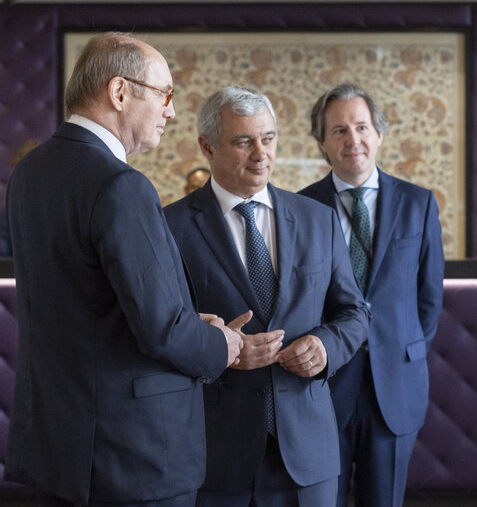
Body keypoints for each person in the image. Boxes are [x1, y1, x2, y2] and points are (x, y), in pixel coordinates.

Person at [4, 32, 243, 506]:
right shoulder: (121, 185)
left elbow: (86, 302)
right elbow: (162, 331)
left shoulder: (29, 173)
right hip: (130, 456)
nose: (171, 111)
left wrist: (185, 322)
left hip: (58, 448)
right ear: (119, 92)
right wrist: (223, 343)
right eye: (164, 94)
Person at [164, 85, 370, 507]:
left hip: (307, 456)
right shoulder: (171, 227)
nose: (261, 153)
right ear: (207, 146)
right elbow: (162, 330)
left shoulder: (319, 219)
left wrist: (325, 346)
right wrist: (219, 350)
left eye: (268, 138)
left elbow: (354, 313)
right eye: (243, 141)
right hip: (215, 454)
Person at [299, 83, 444, 507]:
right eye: (339, 130)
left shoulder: (418, 203)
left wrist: (400, 350)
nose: (353, 140)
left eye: (362, 127)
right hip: (323, 385)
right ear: (322, 143)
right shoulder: (301, 208)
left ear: (379, 133)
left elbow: (428, 298)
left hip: (395, 384)